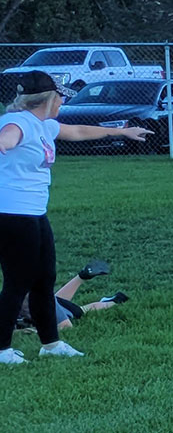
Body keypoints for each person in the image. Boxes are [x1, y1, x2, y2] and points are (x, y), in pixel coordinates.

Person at [0, 71, 151, 363]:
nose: (63, 102)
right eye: (62, 97)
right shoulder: (17, 123)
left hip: (34, 214)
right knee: (17, 284)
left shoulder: (43, 125)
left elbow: (78, 131)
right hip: (12, 215)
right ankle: (2, 350)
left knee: (44, 280)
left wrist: (122, 132)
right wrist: (3, 144)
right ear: (50, 99)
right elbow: (7, 138)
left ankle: (51, 344)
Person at [13, 261, 124, 335]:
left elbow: (66, 327)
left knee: (81, 310)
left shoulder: (43, 303)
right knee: (58, 300)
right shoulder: (12, 302)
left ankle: (114, 301)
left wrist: (32, 331)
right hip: (51, 301)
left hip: (54, 306)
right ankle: (82, 276)